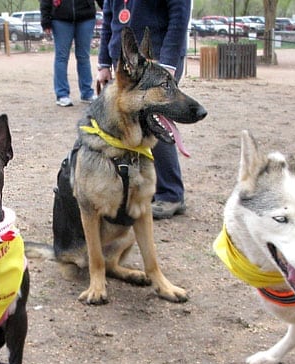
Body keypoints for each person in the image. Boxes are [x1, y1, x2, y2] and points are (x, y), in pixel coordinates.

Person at [97, 0, 191, 219]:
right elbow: (109, 19)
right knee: (126, 124)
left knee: (153, 120)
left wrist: (168, 64)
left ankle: (170, 195)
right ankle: (139, 190)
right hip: (124, 61)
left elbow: (179, 17)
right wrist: (103, 62)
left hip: (158, 59)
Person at [41, 0, 103, 107]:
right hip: (61, 18)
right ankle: (62, 94)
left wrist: (107, 8)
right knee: (61, 57)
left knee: (84, 57)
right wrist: (45, 19)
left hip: (86, 17)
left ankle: (87, 92)